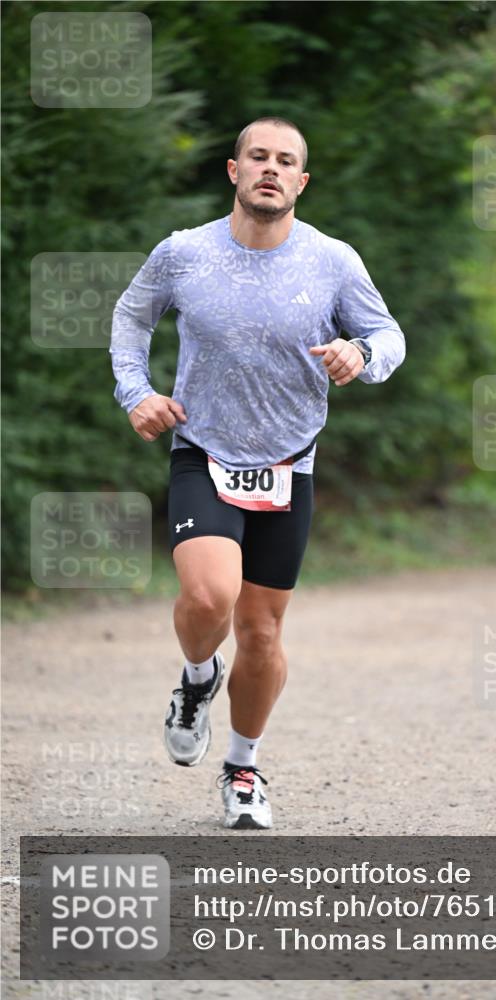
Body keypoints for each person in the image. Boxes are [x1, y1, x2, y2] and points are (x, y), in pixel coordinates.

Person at [110, 117, 406, 829]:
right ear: (233, 171)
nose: (270, 169)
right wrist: (136, 392)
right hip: (202, 451)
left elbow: (386, 334)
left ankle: (242, 769)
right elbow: (130, 316)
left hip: (287, 465)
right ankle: (195, 677)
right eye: (257, 157)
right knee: (210, 598)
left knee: (263, 634)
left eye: (285, 161)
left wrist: (361, 359)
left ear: (301, 182)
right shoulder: (184, 253)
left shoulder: (332, 261)